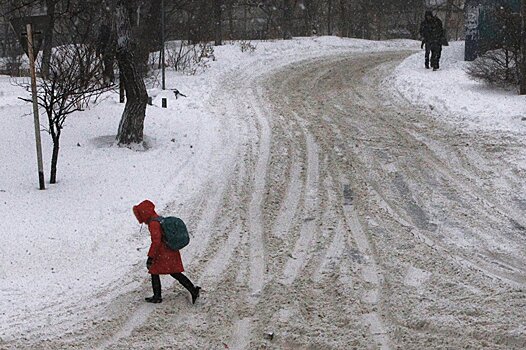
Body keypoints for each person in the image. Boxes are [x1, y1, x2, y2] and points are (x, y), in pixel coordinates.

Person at [133, 200, 201, 304]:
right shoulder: (158, 219)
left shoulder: (153, 223)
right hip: (169, 251)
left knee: (155, 272)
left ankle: (158, 296)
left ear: (144, 213)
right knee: (174, 272)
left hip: (163, 253)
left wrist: (150, 257)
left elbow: (156, 242)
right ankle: (192, 289)